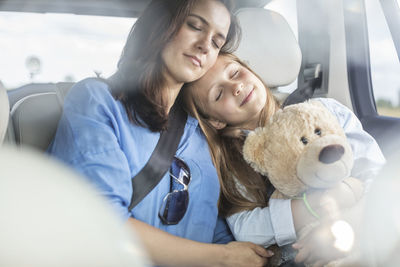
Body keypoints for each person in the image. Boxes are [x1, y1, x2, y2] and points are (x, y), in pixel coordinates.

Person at [49, 1, 274, 266]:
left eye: (216, 42)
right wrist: (222, 258)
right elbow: (103, 225)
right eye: (195, 26)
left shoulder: (202, 133)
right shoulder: (97, 101)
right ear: (160, 24)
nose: (205, 45)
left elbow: (216, 232)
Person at [182, 52, 386, 266]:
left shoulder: (324, 111)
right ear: (215, 121)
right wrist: (321, 203)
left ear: (250, 69)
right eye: (219, 94)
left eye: (235, 73)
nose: (236, 87)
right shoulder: (232, 161)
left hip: (362, 234)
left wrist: (345, 224)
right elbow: (246, 229)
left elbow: (376, 174)